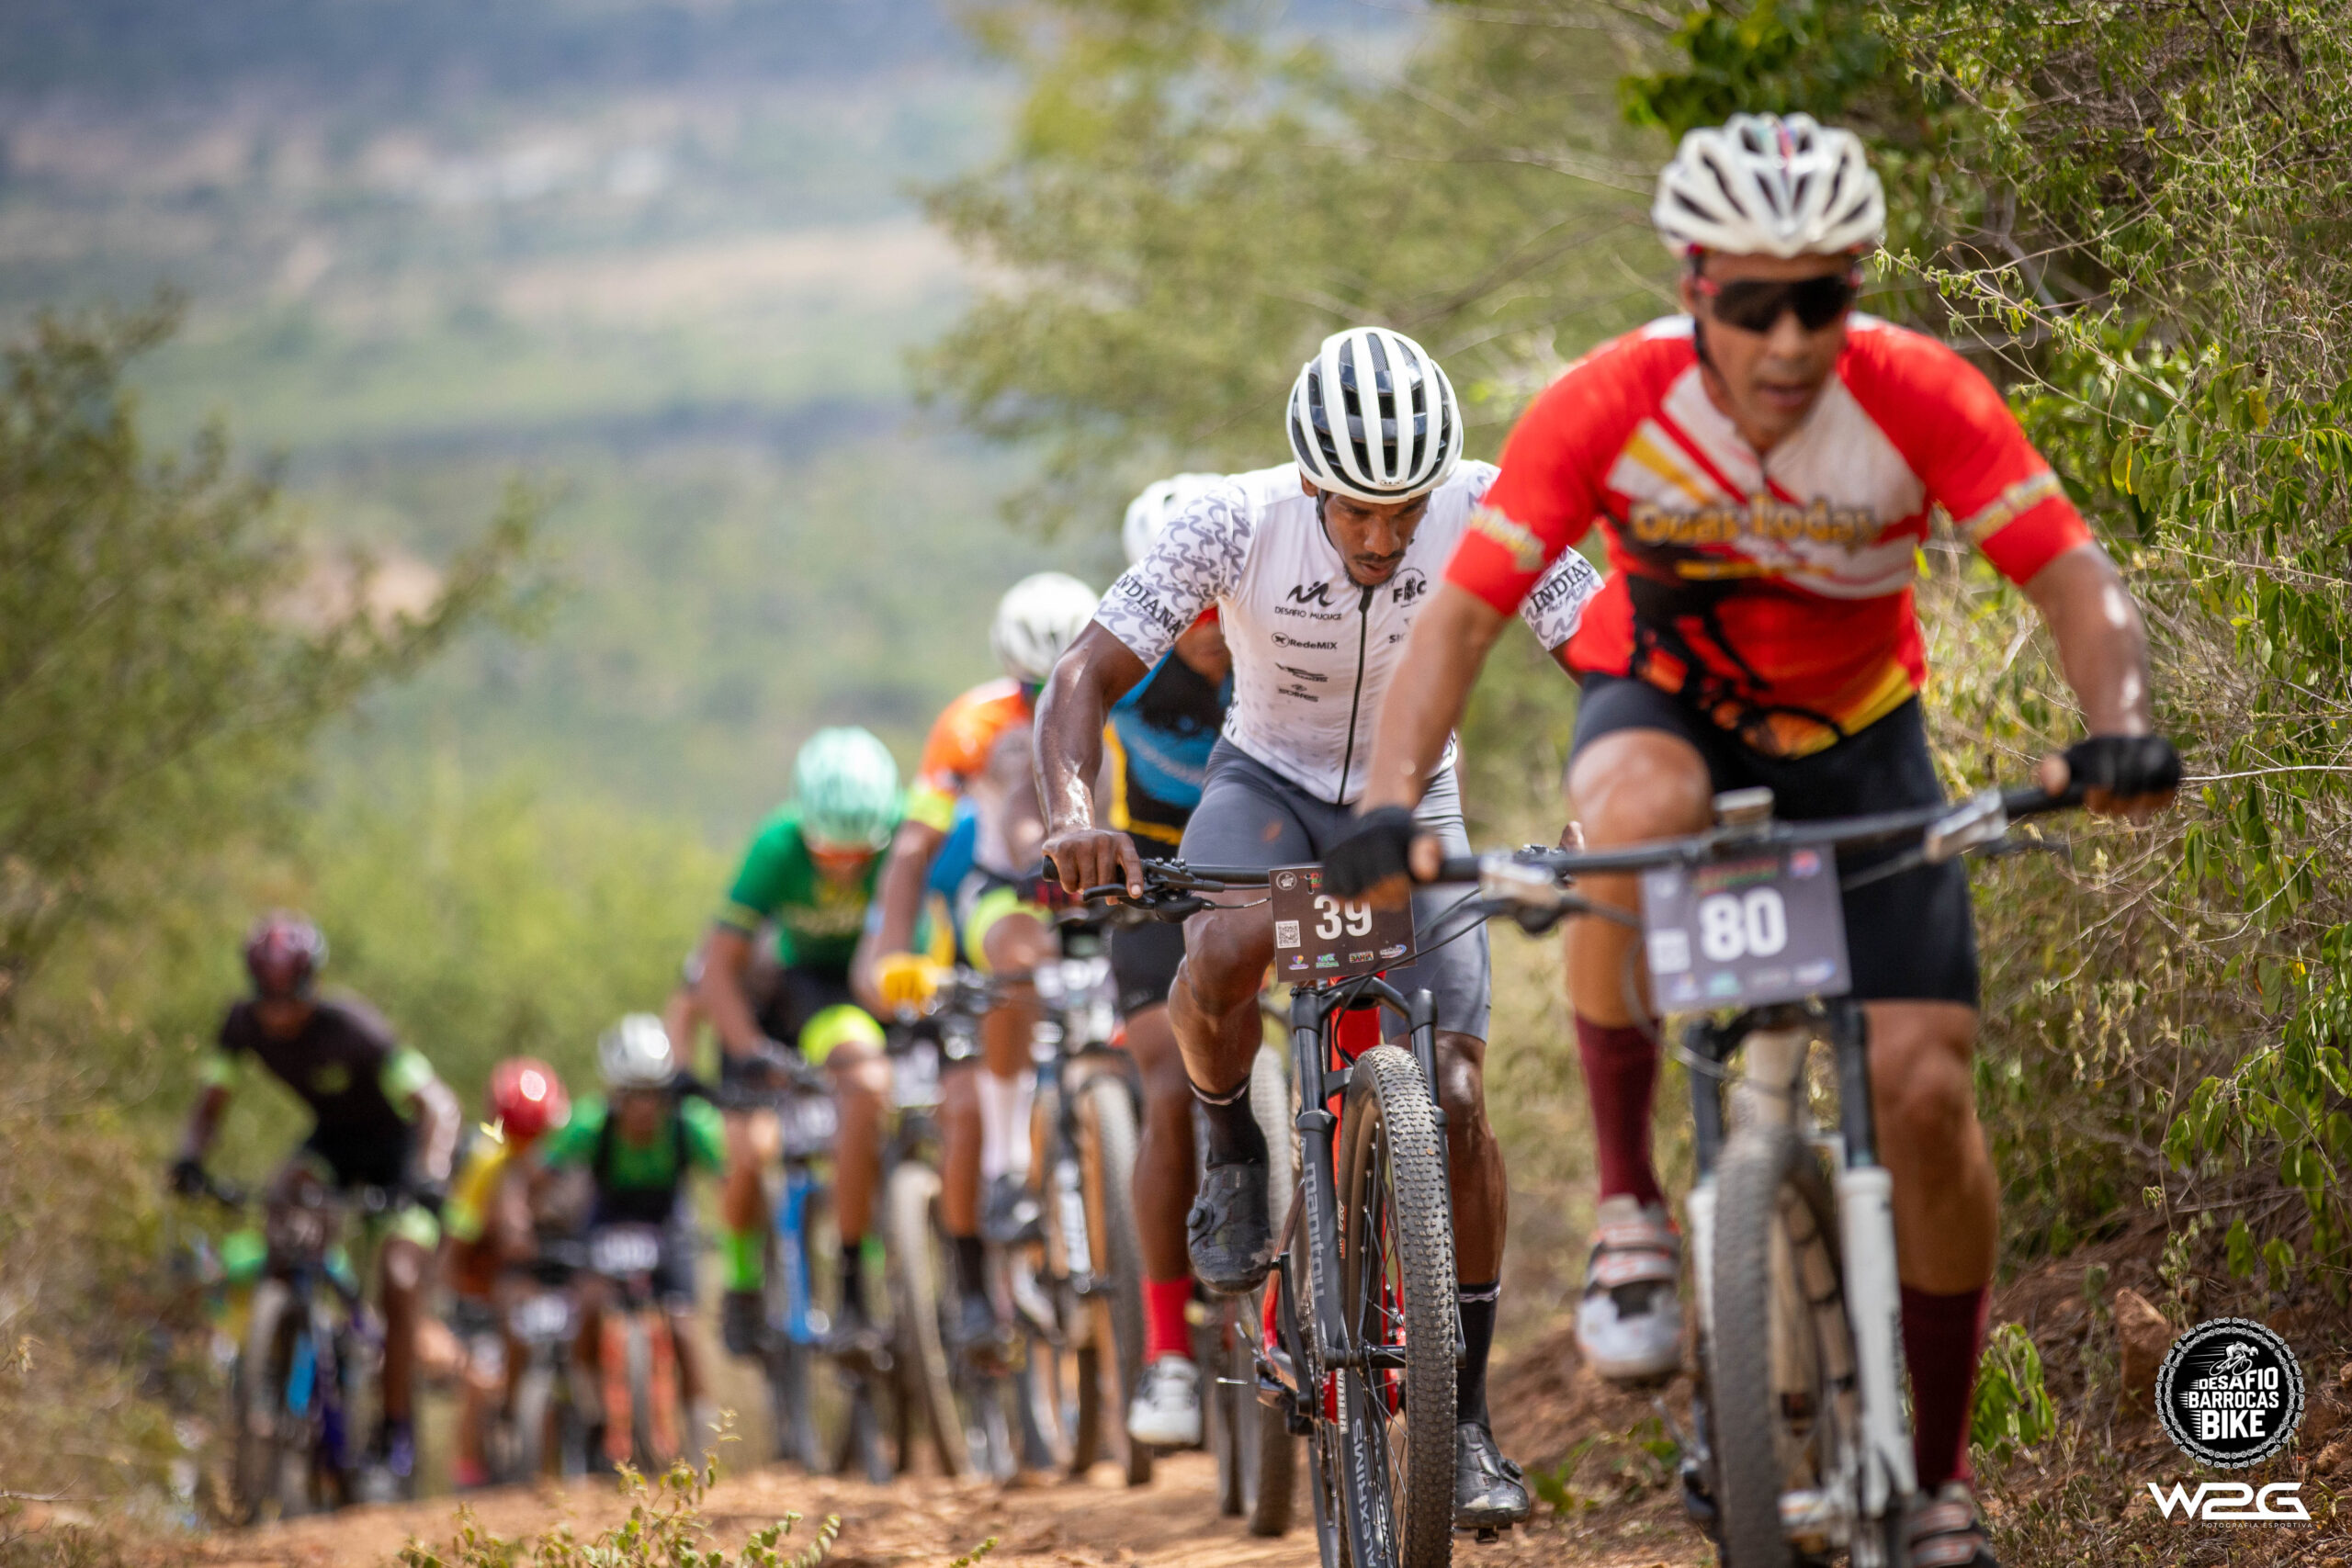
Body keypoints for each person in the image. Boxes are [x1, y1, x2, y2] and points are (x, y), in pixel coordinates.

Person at [1323, 114, 2181, 1568]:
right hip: (1673, 706)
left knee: (1922, 1089)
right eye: (1752, 303)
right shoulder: (1611, 400)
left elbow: (2073, 575)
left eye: (1825, 300)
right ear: (1692, 282)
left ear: (1857, 289)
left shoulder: (1917, 392)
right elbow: (1464, 617)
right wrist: (1390, 802)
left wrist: (2122, 721)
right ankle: (1632, 1211)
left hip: (1862, 744)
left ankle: (1944, 1474)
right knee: (1627, 831)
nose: (1790, 341)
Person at [1038, 327, 1600, 1529]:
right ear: (1308, 482)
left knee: (1452, 1095)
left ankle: (1466, 1422)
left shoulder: (1498, 508)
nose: (1385, 538)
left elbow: (1612, 658)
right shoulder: (1228, 521)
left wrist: (1608, 793)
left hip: (1415, 801)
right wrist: (1073, 815)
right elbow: (1081, 674)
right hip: (1270, 786)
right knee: (1226, 951)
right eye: (1357, 512)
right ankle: (1232, 1138)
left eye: (1405, 511)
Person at [857, 571, 1099, 1348]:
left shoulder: (1123, 692)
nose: (1044, 698)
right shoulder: (972, 722)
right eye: (1034, 685)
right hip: (1009, 894)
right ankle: (1000, 1168)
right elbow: (915, 846)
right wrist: (889, 949)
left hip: (1111, 888)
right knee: (1012, 980)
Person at [168, 912, 461, 1490]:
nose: (277, 1012)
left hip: (402, 1154)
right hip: (332, 1146)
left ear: (313, 984)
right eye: (266, 997)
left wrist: (427, 1177)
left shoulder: (355, 1029)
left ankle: (393, 1431)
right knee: (285, 1197)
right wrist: (189, 1161)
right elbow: (210, 1104)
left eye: (290, 996)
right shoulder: (241, 1025)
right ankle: (276, 1368)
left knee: (400, 1277)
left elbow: (440, 1108)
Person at [1095, 474, 1234, 1448]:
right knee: (1169, 1086)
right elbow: (1068, 757)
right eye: (1190, 605)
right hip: (1152, 878)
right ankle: (1166, 1355)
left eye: (1224, 597)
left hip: (1266, 867)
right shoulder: (1125, 663)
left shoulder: (1278, 640)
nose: (1212, 623)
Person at [695, 727, 904, 1359]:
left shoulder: (908, 836)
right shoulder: (775, 847)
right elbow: (713, 968)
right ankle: (745, 1282)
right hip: (808, 990)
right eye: (827, 852)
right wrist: (748, 1047)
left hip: (886, 977)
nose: (843, 865)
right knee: (748, 1149)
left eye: (859, 853)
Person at [537, 1014, 724, 1463]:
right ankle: (589, 1406)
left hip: (669, 1221)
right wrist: (537, 1226)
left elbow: (728, 1182)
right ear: (614, 1094)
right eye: (632, 1096)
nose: (643, 1108)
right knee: (587, 1307)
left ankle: (702, 1438)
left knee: (683, 1325)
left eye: (653, 1095)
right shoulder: (587, 1125)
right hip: (607, 1220)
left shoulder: (693, 1126)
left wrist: (727, 1235)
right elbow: (539, 1179)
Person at [441, 1056, 571, 1489]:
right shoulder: (484, 1165)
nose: (528, 1147)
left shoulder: (575, 1157)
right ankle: (471, 1479)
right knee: (482, 1382)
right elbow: (457, 1247)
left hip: (553, 1287)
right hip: (488, 1296)